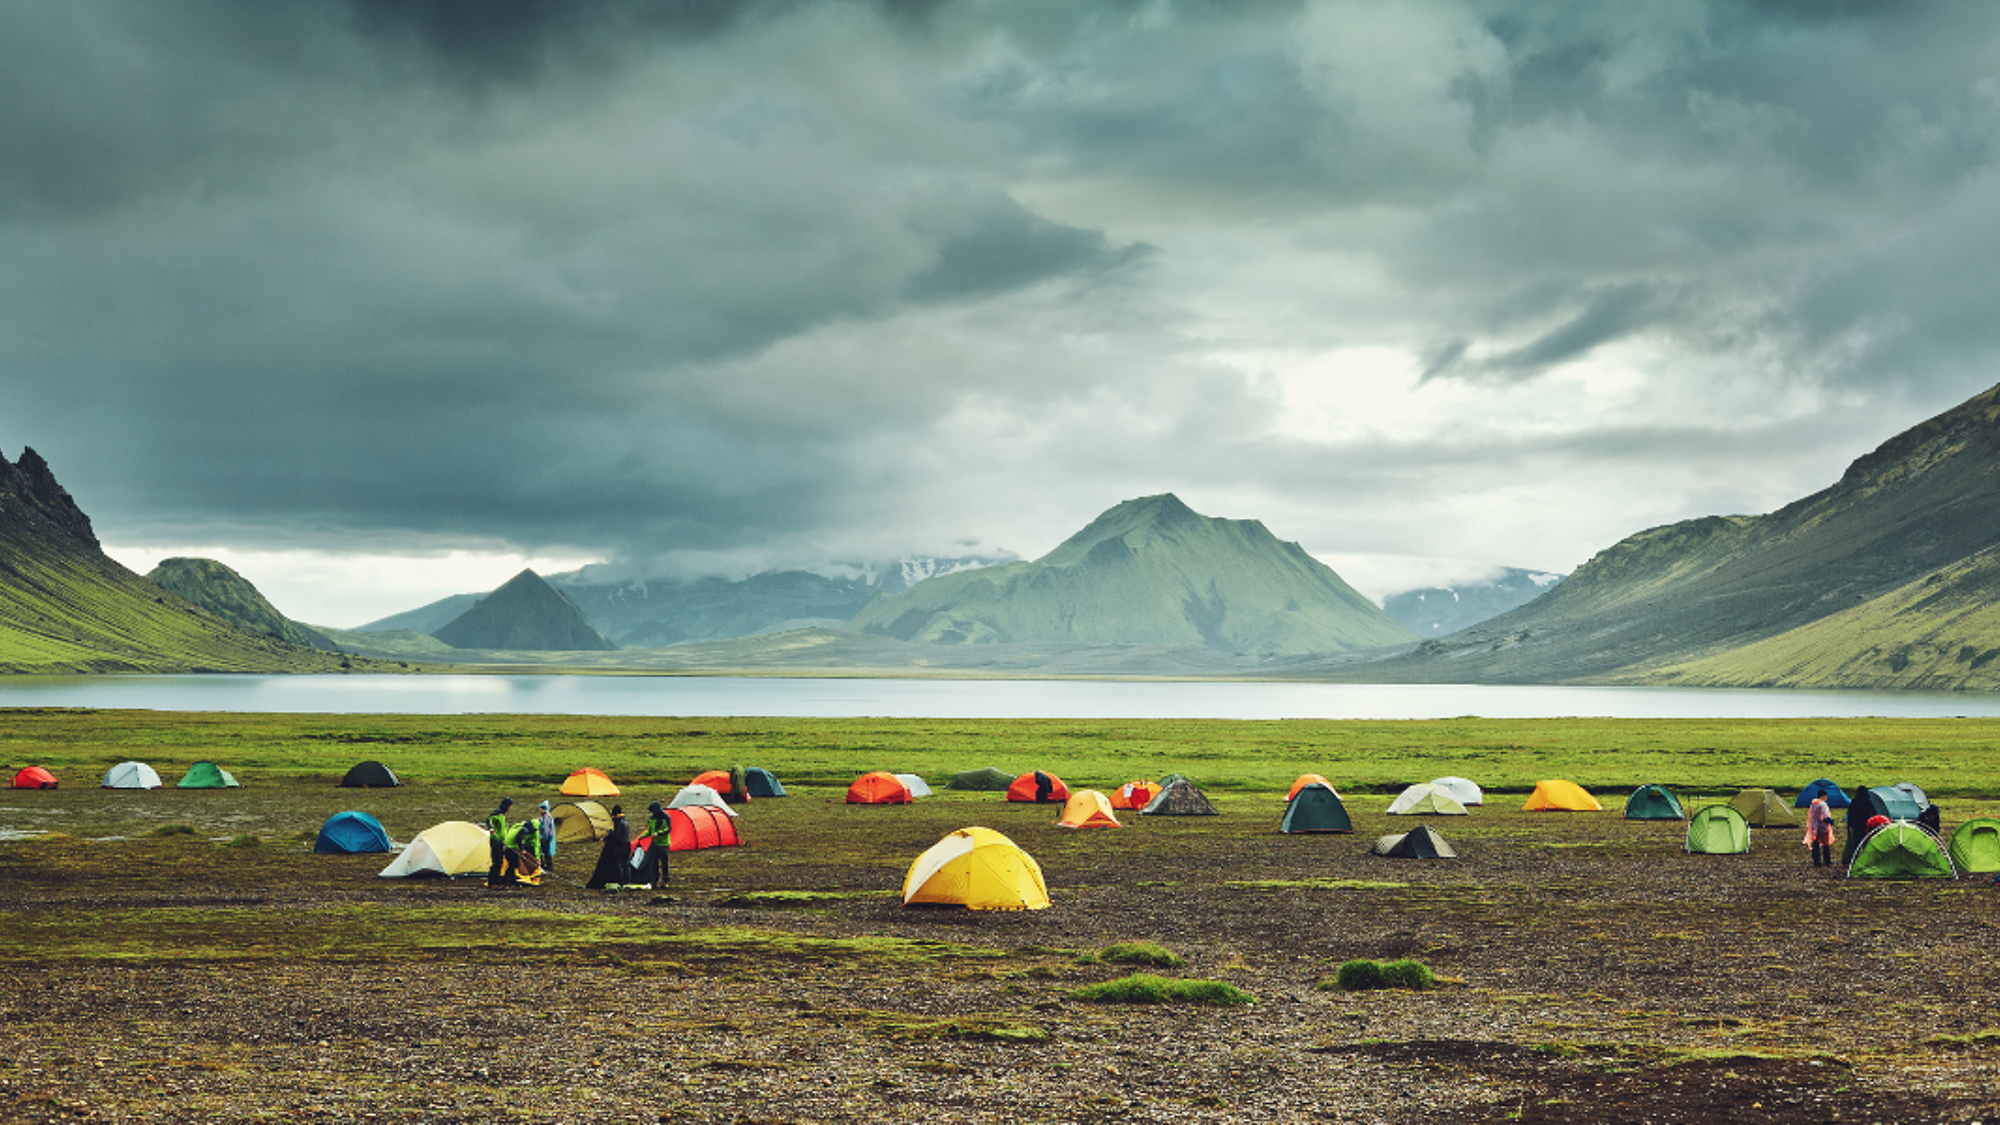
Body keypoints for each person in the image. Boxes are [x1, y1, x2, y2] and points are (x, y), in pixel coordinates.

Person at [585, 805, 631, 890]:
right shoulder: (625, 821)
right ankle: (627, 881)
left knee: (619, 864)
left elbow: (616, 835)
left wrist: (609, 832)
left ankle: (620, 882)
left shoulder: (618, 822)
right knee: (626, 863)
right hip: (627, 844)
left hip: (620, 846)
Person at [631, 801, 672, 888]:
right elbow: (649, 831)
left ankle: (665, 879)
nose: (653, 812)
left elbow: (668, 829)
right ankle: (655, 880)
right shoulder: (652, 819)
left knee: (664, 862)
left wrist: (659, 833)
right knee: (654, 863)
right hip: (654, 844)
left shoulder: (666, 817)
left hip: (663, 844)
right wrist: (643, 836)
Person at [486, 797, 514, 888]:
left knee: (500, 862)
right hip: (496, 841)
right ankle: (492, 882)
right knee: (496, 862)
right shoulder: (497, 813)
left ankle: (497, 880)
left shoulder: (502, 814)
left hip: (501, 841)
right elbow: (488, 819)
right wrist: (490, 828)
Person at [1805, 794, 1835, 868]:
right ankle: (1827, 860)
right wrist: (1831, 821)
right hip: (1822, 827)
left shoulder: (1813, 804)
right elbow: (1825, 816)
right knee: (1825, 844)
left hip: (1814, 827)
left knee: (1816, 844)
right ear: (1823, 796)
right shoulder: (1823, 804)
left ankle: (1816, 860)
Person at [536, 800, 557, 872]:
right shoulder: (545, 816)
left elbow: (546, 828)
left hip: (546, 838)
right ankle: (546, 865)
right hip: (546, 837)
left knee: (545, 852)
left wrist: (544, 838)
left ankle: (548, 866)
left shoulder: (546, 817)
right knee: (545, 852)